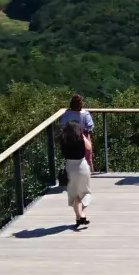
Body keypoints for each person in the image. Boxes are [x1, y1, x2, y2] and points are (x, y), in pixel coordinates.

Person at [56, 94, 93, 228]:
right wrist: (82, 135)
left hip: (69, 166)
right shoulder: (81, 137)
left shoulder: (64, 140)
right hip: (81, 165)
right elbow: (88, 147)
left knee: (74, 194)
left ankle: (79, 217)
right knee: (85, 192)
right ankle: (82, 214)